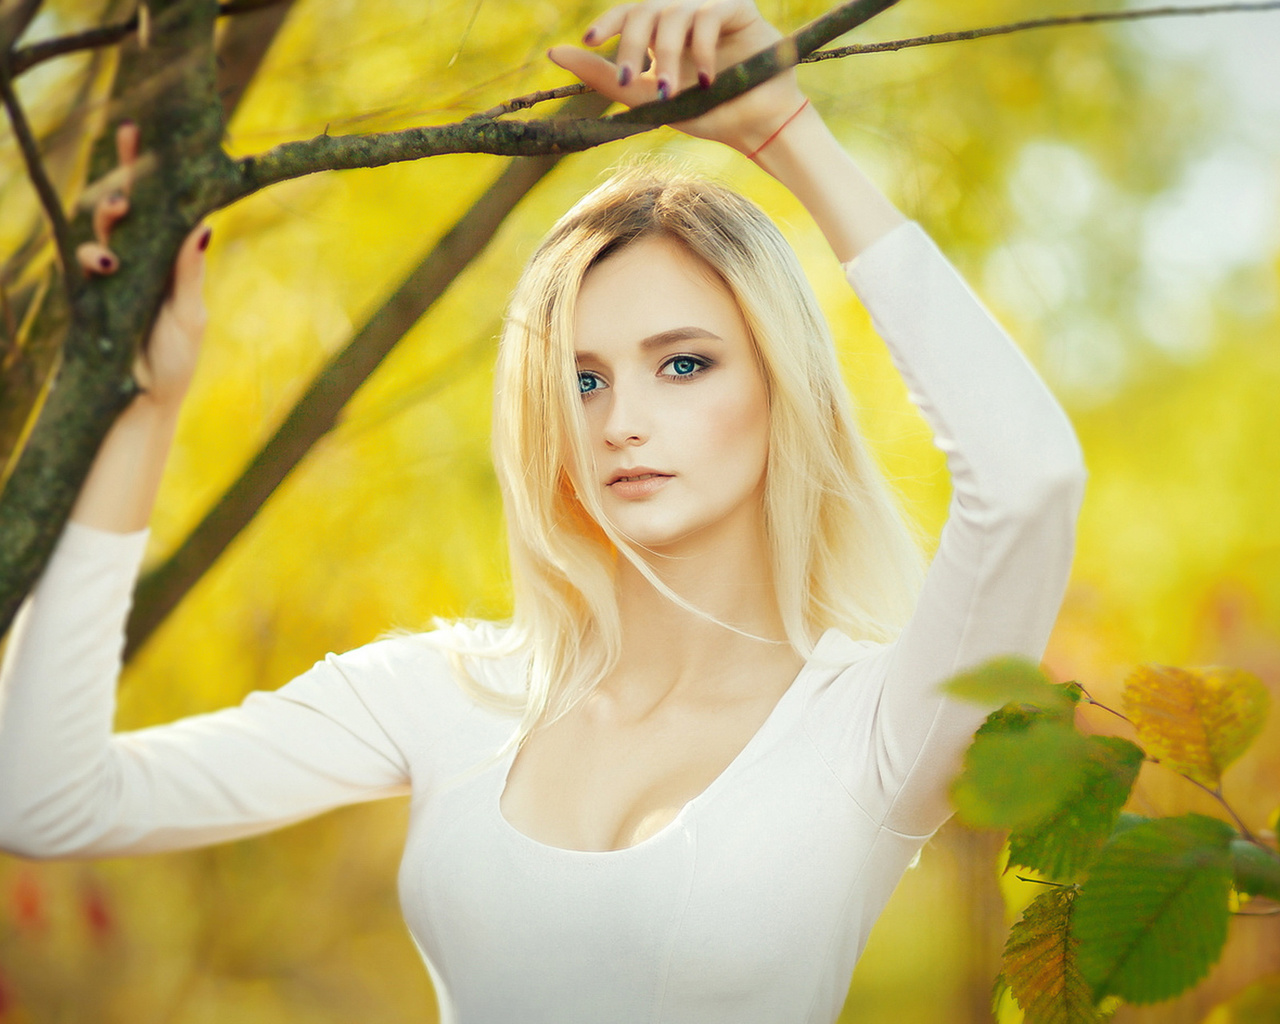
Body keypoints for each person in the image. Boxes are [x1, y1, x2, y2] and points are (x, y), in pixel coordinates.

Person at [0, 2, 1086, 1021]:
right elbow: (45, 800)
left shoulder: (875, 726)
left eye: (683, 364)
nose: (619, 420)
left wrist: (786, 131)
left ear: (779, 388)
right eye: (581, 380)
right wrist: (143, 408)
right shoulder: (446, 694)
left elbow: (1028, 480)